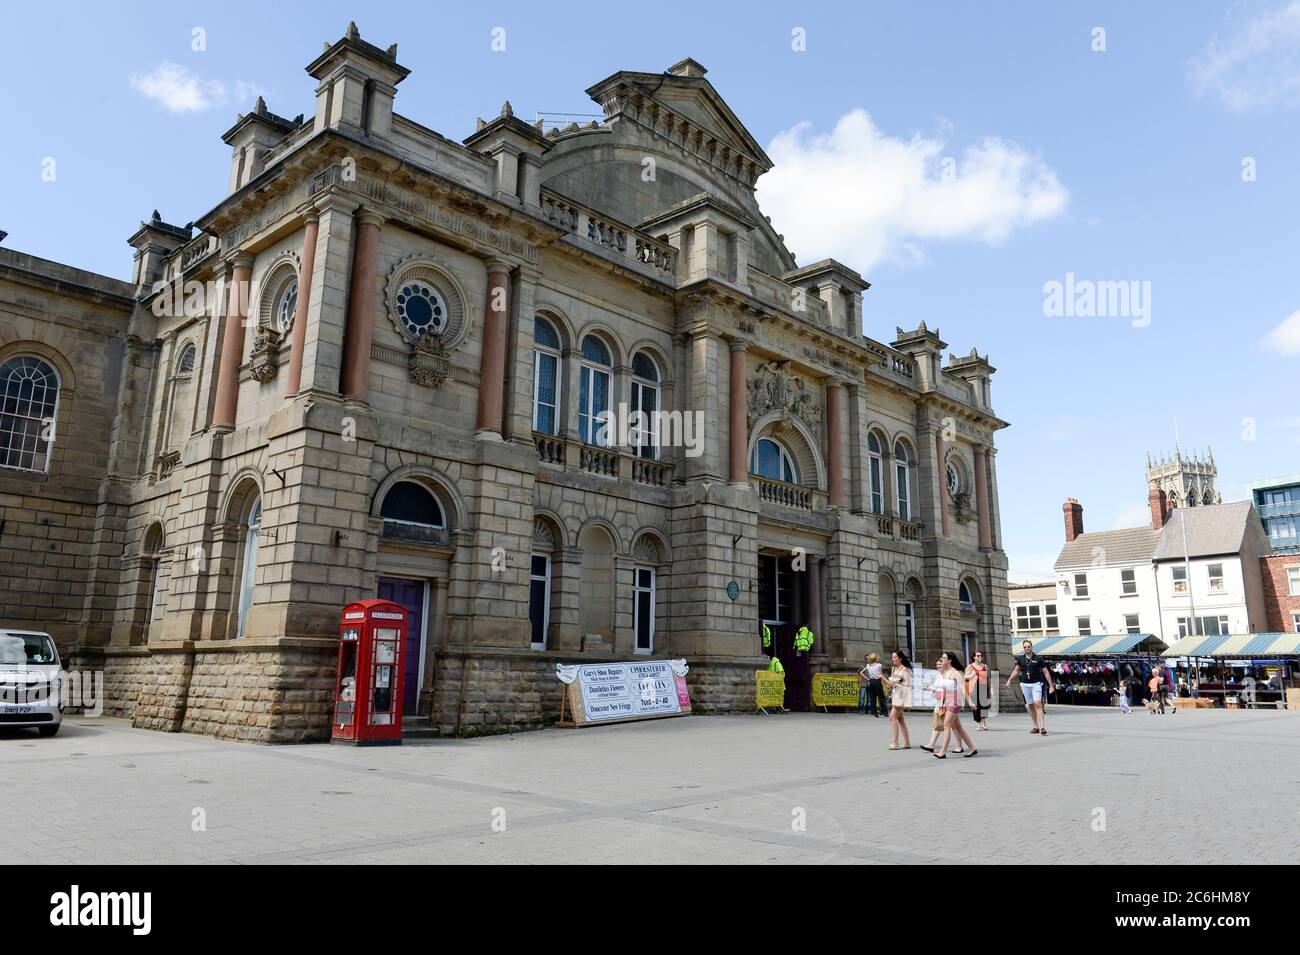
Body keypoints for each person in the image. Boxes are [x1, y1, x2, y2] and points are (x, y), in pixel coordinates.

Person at [932, 651, 977, 758]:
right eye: (941, 658)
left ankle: (942, 752)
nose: (941, 659)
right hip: (946, 702)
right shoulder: (945, 673)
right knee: (958, 727)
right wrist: (942, 703)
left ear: (949, 660)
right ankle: (972, 748)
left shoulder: (955, 673)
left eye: (944, 658)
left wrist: (970, 702)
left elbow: (962, 688)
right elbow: (943, 689)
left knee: (946, 725)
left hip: (955, 701)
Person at [1006, 639, 1055, 736]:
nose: (1027, 648)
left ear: (1031, 647)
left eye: (1028, 646)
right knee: (1030, 706)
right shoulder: (1020, 659)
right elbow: (1016, 671)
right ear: (1023, 648)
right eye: (1025, 647)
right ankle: (1035, 726)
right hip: (1025, 684)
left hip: (1036, 684)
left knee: (1038, 704)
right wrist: (1009, 680)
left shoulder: (1038, 659)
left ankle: (1042, 727)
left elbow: (1046, 672)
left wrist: (1051, 686)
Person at [884, 649, 912, 750]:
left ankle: (895, 742)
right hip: (895, 695)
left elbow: (907, 683)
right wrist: (883, 679)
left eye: (895, 657)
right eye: (892, 657)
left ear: (900, 658)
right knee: (900, 720)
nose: (893, 659)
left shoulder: (904, 670)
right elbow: (891, 683)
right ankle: (907, 742)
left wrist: (898, 683)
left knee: (892, 717)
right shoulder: (893, 669)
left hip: (901, 696)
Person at [965, 650, 991, 730]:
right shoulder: (970, 666)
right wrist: (972, 675)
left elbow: (988, 678)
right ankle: (979, 724)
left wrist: (990, 689)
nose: (980, 657)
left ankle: (984, 722)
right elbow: (965, 677)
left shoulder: (985, 666)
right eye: (978, 656)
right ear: (974, 657)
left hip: (983, 687)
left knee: (984, 706)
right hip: (974, 688)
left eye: (981, 656)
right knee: (976, 706)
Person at [858, 653, 886, 718]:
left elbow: (861, 673)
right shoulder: (878, 665)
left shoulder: (869, 666)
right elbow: (881, 675)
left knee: (872, 698)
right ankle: (884, 713)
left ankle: (872, 711)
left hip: (870, 682)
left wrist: (868, 679)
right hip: (872, 682)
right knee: (880, 697)